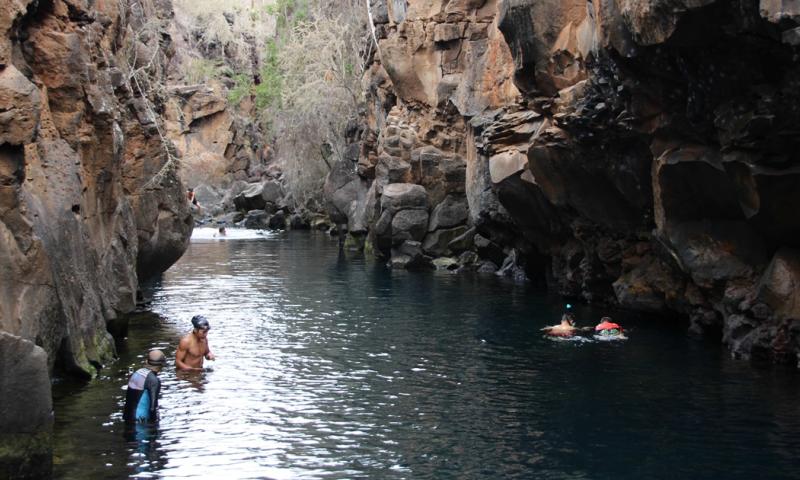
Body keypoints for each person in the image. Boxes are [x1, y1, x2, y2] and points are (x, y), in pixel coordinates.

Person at [123, 349, 166, 424]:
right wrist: (154, 425)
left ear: (147, 361)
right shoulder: (154, 381)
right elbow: (153, 408)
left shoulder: (137, 372)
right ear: (161, 365)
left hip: (127, 418)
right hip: (141, 422)